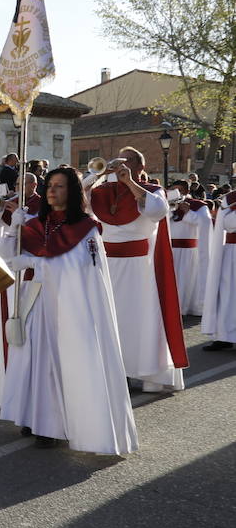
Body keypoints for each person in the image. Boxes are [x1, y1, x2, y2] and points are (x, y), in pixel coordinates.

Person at [0, 167, 138, 454]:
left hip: (67, 306)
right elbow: (12, 255)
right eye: (50, 185)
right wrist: (14, 229)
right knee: (33, 359)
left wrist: (34, 263)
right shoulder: (39, 223)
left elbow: (78, 269)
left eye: (60, 186)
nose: (52, 190)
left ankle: (52, 425)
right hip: (36, 299)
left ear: (72, 192)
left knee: (56, 362)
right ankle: (31, 416)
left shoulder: (86, 228)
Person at [85, 147, 187, 392]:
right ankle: (112, 369)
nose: (122, 164)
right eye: (118, 160)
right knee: (108, 320)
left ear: (140, 166)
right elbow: (77, 201)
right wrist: (97, 175)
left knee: (139, 322)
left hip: (139, 270)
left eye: (129, 161)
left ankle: (142, 370)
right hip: (106, 266)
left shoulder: (151, 190)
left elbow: (157, 211)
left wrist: (129, 181)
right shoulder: (100, 191)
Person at [0, 174, 39, 407]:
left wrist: (20, 216)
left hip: (29, 267)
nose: (19, 187)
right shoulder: (12, 200)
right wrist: (1, 204)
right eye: (17, 184)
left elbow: (36, 226)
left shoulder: (40, 203)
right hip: (10, 264)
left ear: (33, 185)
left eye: (24, 183)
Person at [167, 180, 211, 316]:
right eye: (173, 190)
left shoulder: (198, 206)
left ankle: (183, 308)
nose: (176, 193)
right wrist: (168, 210)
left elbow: (205, 222)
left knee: (185, 281)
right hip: (169, 249)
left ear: (186, 192)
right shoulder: (166, 204)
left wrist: (188, 213)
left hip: (188, 251)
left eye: (179, 190)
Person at [201, 188, 236, 350]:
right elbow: (228, 225)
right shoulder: (230, 198)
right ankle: (224, 336)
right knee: (227, 294)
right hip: (231, 251)